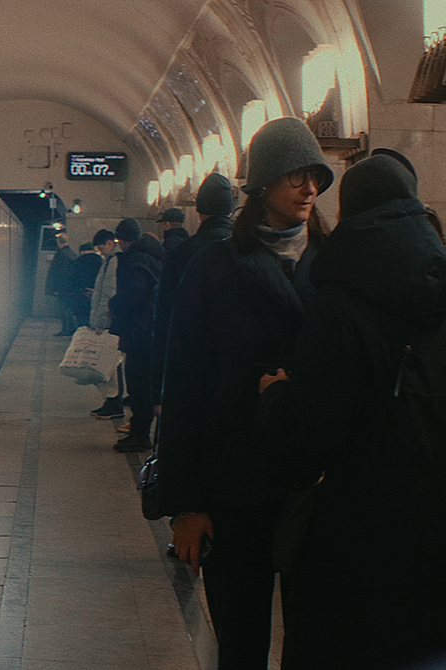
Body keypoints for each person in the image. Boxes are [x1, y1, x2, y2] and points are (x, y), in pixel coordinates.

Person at [256, 151, 446, 669]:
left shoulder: (340, 300)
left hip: (354, 531)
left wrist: (274, 394)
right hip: (432, 529)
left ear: (350, 212)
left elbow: (312, 429)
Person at [156, 116, 333, 669]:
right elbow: (184, 383)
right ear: (262, 184)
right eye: (295, 176)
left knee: (315, 644)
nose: (309, 188)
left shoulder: (334, 263)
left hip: (313, 485)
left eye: (316, 177)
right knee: (240, 643)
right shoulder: (216, 266)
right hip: (234, 482)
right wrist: (186, 503)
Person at [154, 172, 236, 414]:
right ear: (231, 210)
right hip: (236, 369)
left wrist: (158, 387)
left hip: (189, 365)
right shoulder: (248, 250)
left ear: (200, 211)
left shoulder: (182, 253)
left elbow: (165, 320)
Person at [108, 219, 162, 451]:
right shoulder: (155, 256)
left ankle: (140, 435)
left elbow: (133, 294)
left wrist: (114, 304)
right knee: (146, 384)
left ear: (121, 239)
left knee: (138, 385)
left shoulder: (135, 259)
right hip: (153, 329)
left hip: (139, 331)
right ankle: (142, 432)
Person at [88, 226, 125, 419]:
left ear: (110, 243)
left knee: (109, 364)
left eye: (101, 247)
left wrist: (100, 321)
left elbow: (109, 293)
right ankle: (112, 401)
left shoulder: (114, 261)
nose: (100, 252)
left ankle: (114, 403)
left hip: (108, 322)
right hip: (108, 320)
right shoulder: (110, 260)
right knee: (110, 364)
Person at [67, 239, 104, 336]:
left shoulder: (78, 262)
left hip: (81, 295)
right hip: (96, 295)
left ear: (81, 251)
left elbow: (71, 279)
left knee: (81, 322)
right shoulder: (102, 262)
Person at [45, 232, 79, 335]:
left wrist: (56, 288)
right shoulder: (70, 253)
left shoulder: (62, 254)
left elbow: (60, 272)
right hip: (69, 286)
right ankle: (71, 328)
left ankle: (66, 329)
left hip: (63, 287)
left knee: (63, 308)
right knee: (68, 308)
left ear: (58, 242)